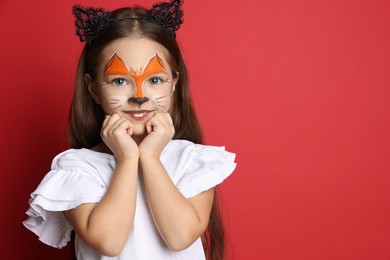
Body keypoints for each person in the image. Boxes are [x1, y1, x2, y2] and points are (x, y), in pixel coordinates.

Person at [23, 1, 236, 259]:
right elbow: (108, 242)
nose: (139, 96)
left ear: (174, 84)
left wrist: (150, 157)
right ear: (93, 88)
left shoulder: (192, 161)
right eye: (119, 81)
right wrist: (127, 159)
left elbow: (180, 236)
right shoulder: (77, 168)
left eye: (155, 80)